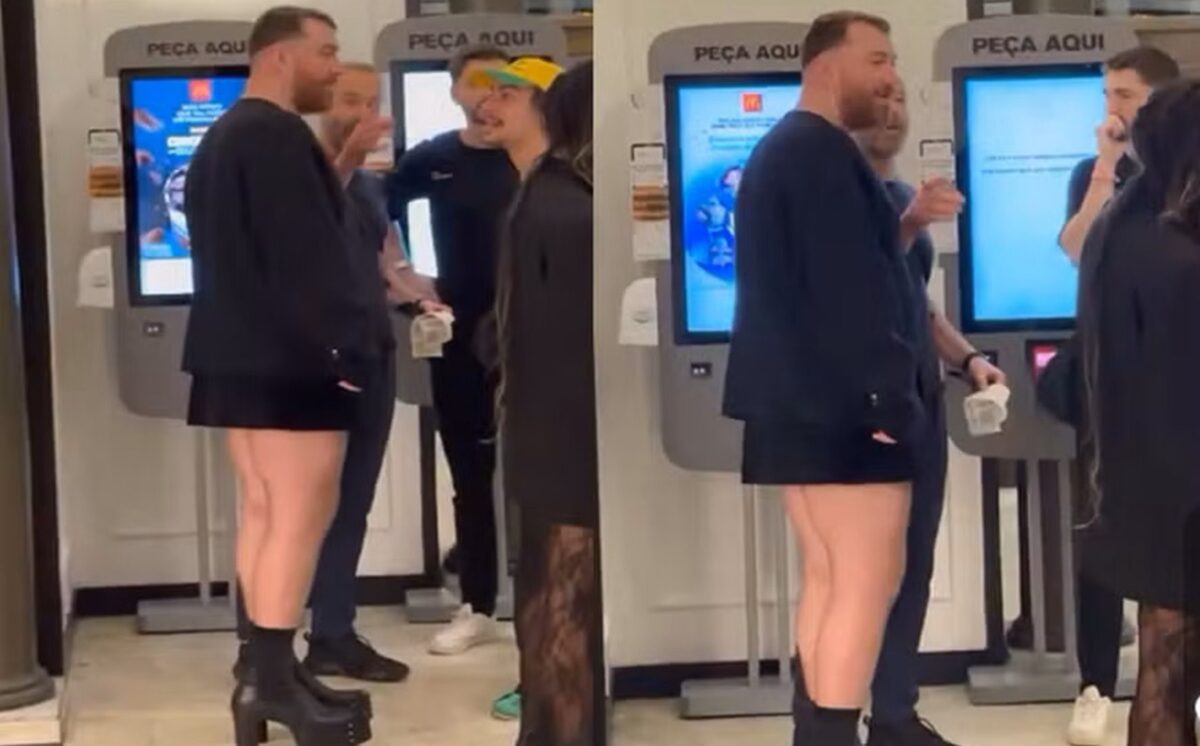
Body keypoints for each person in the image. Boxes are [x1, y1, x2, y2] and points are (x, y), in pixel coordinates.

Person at [724, 12, 950, 745]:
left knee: (829, 579)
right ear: (826, 65)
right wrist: (887, 402)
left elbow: (848, 267)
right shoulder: (819, 154)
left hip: (800, 406)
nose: (890, 77)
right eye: (877, 59)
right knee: (864, 582)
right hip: (845, 410)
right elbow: (851, 293)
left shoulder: (787, 151)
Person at [183, 7, 387, 745]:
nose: (334, 68)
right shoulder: (275, 135)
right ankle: (272, 683)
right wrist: (345, 350)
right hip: (291, 358)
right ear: (278, 55)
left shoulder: (225, 137)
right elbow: (309, 257)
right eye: (325, 53)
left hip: (237, 353)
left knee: (265, 513)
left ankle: (265, 673)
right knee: (298, 515)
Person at [854, 82, 1005, 746]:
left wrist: (969, 359)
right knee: (866, 572)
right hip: (869, 408)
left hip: (920, 403)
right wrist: (911, 223)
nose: (891, 117)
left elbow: (917, 302)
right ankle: (837, 711)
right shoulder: (843, 199)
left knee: (915, 563)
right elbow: (857, 283)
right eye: (877, 105)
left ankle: (893, 712)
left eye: (897, 107)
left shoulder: (896, 193)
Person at [1051, 46, 1180, 746]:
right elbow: (1077, 248)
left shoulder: (1185, 181)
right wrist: (1105, 168)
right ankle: (1094, 682)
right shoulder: (1100, 179)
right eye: (1106, 97)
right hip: (1109, 384)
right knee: (1101, 531)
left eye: (1124, 96)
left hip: (1172, 388)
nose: (1111, 111)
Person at [1077, 79, 1200, 746]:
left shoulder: (1119, 223)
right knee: (1172, 676)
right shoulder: (1175, 253)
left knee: (1162, 667)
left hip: (1140, 476)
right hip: (1184, 483)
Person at [482, 56, 601, 746]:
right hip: (567, 431)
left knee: (551, 591)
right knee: (565, 598)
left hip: (541, 426)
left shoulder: (544, 194)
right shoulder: (571, 208)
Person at [387, 44, 519, 658]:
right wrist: (409, 284)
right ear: (456, 93)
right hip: (460, 333)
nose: (489, 96)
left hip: (529, 332)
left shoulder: (535, 158)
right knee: (469, 472)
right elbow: (375, 213)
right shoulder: (434, 158)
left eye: (501, 84)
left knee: (542, 473)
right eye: (478, 84)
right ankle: (478, 604)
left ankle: (546, 601)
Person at [300, 62, 416, 684]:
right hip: (319, 362)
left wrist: (421, 298)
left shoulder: (371, 187)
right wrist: (346, 157)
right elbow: (303, 234)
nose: (362, 114)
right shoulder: (296, 176)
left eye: (371, 102)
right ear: (323, 103)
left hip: (374, 354)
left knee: (353, 503)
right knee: (298, 506)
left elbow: (387, 262)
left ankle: (332, 633)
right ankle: (265, 643)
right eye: (350, 100)